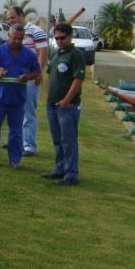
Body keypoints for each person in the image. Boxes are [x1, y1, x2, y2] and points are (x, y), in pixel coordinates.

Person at [0, 24, 41, 167]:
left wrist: (27, 76)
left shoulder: (29, 55)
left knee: (16, 131)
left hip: (17, 99)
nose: (17, 41)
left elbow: (36, 72)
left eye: (20, 39)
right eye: (15, 38)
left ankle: (15, 159)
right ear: (8, 36)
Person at [41, 23, 85, 186]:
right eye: (56, 38)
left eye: (62, 38)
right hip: (52, 104)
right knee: (57, 140)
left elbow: (78, 79)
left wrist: (66, 100)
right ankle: (59, 169)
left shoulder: (76, 55)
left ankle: (71, 173)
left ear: (70, 36)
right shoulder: (55, 53)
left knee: (69, 140)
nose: (59, 41)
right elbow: (50, 76)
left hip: (68, 106)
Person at [6, 6, 49, 156]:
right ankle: (15, 141)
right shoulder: (12, 33)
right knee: (14, 111)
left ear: (21, 15)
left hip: (29, 78)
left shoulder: (35, 30)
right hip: (13, 79)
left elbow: (43, 52)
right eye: (8, 18)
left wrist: (38, 73)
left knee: (28, 112)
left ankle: (29, 145)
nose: (10, 20)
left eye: (12, 17)